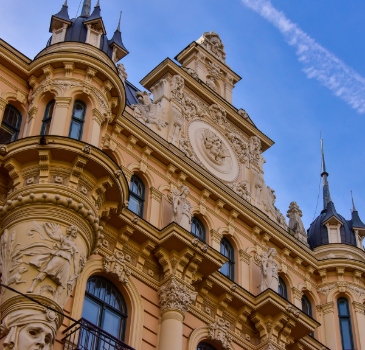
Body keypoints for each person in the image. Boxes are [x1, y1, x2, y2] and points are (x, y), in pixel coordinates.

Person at [27, 223, 79, 299]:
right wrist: (45, 228)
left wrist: (75, 272)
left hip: (67, 263)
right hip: (60, 257)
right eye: (74, 230)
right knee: (46, 270)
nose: (75, 232)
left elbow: (75, 260)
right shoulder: (64, 238)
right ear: (70, 231)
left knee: (63, 282)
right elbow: (51, 236)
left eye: (76, 231)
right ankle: (32, 287)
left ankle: (55, 300)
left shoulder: (75, 246)